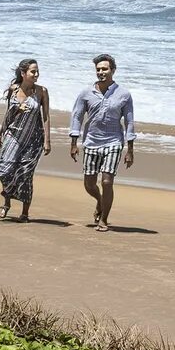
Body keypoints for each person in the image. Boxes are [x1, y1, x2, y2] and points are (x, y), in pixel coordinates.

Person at [67, 52, 136, 230]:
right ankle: (99, 201)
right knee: (89, 183)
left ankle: (104, 219)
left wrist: (130, 149)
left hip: (114, 141)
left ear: (113, 70)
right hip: (91, 141)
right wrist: (74, 143)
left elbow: (129, 122)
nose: (101, 72)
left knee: (107, 182)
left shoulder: (124, 94)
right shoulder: (86, 93)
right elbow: (77, 117)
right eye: (98, 69)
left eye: (105, 69)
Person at [0, 57, 49, 221]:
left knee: (26, 174)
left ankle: (25, 213)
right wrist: (1, 132)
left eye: (37, 71)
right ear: (23, 73)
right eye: (33, 71)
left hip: (34, 139)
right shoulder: (13, 90)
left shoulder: (41, 92)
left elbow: (46, 117)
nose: (36, 74)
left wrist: (47, 141)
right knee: (6, 170)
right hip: (13, 136)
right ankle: (6, 203)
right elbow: (8, 113)